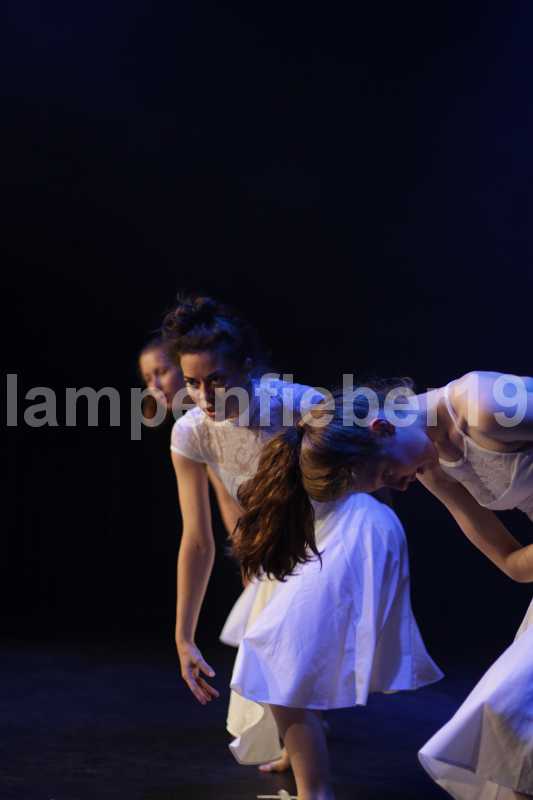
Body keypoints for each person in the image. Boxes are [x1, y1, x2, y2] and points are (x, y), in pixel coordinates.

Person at [164, 296, 443, 800]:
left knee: (275, 655)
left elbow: (376, 469)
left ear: (247, 366)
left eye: (217, 379)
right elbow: (197, 539)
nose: (204, 395)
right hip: (287, 543)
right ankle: (300, 754)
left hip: (342, 529)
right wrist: (184, 636)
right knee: (275, 654)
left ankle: (315, 791)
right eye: (192, 382)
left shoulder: (299, 405)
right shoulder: (192, 433)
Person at [296, 370, 533, 799]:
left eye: (386, 473)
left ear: (382, 428)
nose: (399, 487)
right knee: (511, 733)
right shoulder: (432, 469)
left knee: (512, 718)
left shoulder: (483, 403)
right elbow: (513, 563)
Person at [138, 334, 242, 538]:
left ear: (186, 367)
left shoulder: (225, 412)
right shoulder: (192, 428)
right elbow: (228, 500)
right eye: (148, 378)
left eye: (162, 372)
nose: (154, 386)